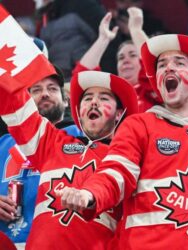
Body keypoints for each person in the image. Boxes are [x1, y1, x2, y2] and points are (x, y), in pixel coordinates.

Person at [57, 34, 188, 249]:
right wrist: (89, 194)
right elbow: (116, 172)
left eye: (179, 62)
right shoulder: (139, 125)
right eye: (162, 65)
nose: (168, 68)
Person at [0, 67, 138, 249]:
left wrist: (89, 196)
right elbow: (16, 106)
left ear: (119, 114)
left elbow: (116, 186)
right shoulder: (52, 143)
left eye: (103, 98)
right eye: (87, 99)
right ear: (79, 112)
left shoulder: (127, 156)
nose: (94, 102)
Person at [0, 66, 82, 249]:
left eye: (52, 89)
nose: (45, 94)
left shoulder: (82, 138)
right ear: (25, 101)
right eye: (36, 90)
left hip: (61, 242)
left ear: (67, 100)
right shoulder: (3, 143)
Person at [74, 10, 160, 112]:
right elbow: (82, 79)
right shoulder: (108, 95)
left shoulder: (156, 91)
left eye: (132, 55)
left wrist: (136, 30)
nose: (126, 60)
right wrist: (103, 39)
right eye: (121, 57)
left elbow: (154, 67)